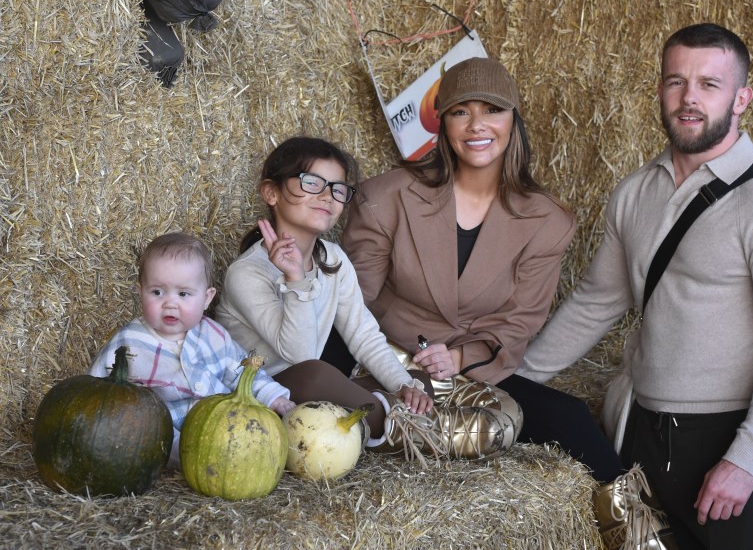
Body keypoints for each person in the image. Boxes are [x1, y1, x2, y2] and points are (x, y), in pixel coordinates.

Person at [518, 23, 753, 550]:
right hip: (640, 432)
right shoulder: (635, 191)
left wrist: (745, 459)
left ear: (741, 98)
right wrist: (518, 379)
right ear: (660, 89)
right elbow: (597, 301)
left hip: (725, 439)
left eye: (710, 84)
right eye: (675, 81)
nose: (689, 99)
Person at [341, 57, 625, 484]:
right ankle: (379, 423)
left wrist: (457, 356)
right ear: (443, 125)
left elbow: (517, 324)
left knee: (571, 420)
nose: (477, 125)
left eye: (492, 110)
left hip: (471, 370)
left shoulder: (547, 221)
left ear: (513, 120)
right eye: (460, 111)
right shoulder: (386, 197)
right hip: (384, 360)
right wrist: (396, 367)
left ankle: (645, 533)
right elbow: (350, 304)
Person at [215, 136, 506, 460]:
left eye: (338, 189)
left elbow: (364, 335)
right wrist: (295, 279)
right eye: (312, 182)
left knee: (412, 376)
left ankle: (385, 418)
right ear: (271, 192)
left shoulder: (334, 260)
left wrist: (404, 386)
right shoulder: (247, 273)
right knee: (316, 374)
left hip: (313, 395)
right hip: (260, 397)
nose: (327, 196)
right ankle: (415, 428)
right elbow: (299, 355)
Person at [88, 232, 295, 466]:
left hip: (220, 427)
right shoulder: (128, 342)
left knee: (258, 438)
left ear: (207, 299)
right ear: (140, 291)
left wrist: (273, 397)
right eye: (157, 292)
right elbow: (95, 390)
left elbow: (243, 372)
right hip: (161, 437)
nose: (170, 303)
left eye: (183, 294)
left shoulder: (215, 336)